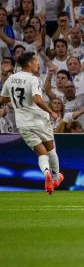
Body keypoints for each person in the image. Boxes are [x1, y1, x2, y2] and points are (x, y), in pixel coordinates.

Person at [0, 52, 62, 194]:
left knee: (41, 153)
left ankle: (46, 172)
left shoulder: (11, 79)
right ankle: (55, 178)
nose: (37, 63)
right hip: (39, 119)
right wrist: (51, 111)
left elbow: (2, 99)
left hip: (22, 123)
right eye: (35, 61)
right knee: (51, 150)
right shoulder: (33, 79)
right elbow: (38, 99)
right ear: (29, 63)